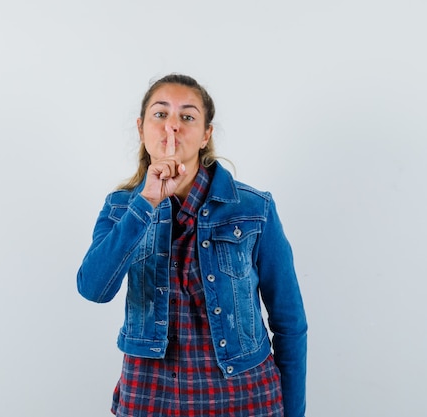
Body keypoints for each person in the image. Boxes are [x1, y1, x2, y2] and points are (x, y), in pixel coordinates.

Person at [77, 74, 307, 417]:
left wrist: (295, 413)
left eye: (187, 117)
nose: (172, 127)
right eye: (160, 115)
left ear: (205, 135)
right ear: (141, 129)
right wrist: (146, 203)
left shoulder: (254, 209)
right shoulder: (122, 207)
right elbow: (94, 288)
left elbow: (289, 322)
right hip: (150, 397)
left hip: (245, 399)